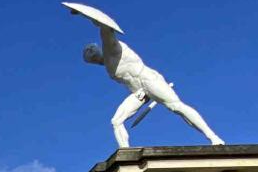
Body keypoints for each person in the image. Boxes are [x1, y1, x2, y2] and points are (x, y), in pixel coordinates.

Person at [81, 20, 224, 148]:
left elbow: (106, 29)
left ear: (96, 49)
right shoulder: (108, 68)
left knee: (176, 106)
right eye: (89, 57)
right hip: (138, 93)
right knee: (116, 121)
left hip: (148, 80)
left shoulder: (111, 49)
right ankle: (125, 153)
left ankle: (213, 137)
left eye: (91, 51)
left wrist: (93, 19)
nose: (91, 54)